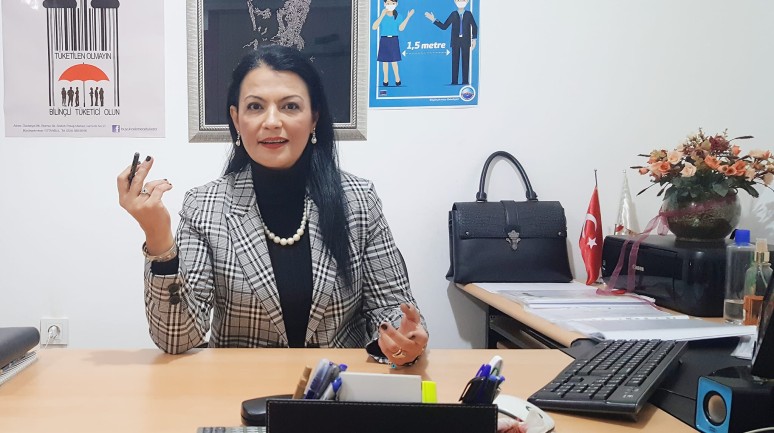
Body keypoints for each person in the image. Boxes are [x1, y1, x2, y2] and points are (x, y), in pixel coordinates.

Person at [117, 45, 428, 366]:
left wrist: (402, 337)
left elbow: (391, 306)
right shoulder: (205, 206)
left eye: (290, 106)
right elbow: (176, 338)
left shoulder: (358, 199)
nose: (272, 121)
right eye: (255, 107)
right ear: (236, 119)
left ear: (314, 117)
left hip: (337, 385)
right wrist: (158, 237)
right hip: (241, 388)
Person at [425, 0, 478, 85]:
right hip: (455, 41)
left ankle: (465, 81)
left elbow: (474, 26)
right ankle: (454, 81)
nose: (461, 2)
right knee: (455, 61)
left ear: (467, 1)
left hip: (466, 41)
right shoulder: (453, 14)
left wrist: (474, 39)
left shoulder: (468, 14)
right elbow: (444, 26)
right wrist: (433, 19)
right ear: (455, 1)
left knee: (465, 61)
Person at [372, 0, 414, 87]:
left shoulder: (398, 16)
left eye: (393, 3)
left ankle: (397, 79)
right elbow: (374, 27)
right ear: (384, 4)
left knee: (394, 61)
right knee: (385, 61)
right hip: (384, 39)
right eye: (388, 3)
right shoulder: (382, 16)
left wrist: (408, 17)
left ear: (396, 4)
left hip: (394, 39)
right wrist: (382, 15)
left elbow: (401, 28)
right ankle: (385, 80)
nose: (390, 5)